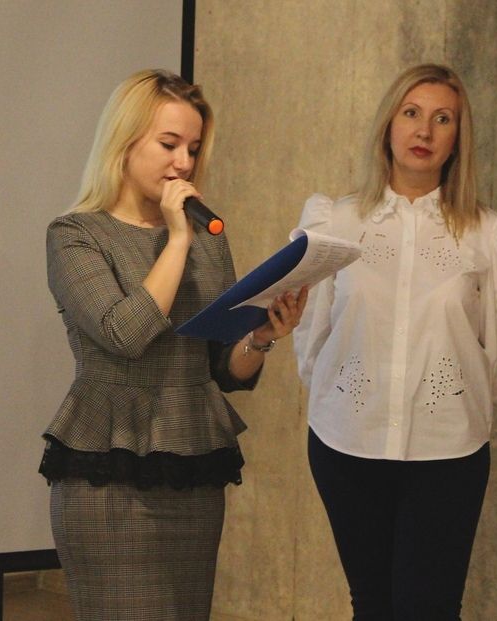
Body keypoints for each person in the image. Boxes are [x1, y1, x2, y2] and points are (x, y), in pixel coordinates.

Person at [39, 69, 306, 621]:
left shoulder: (210, 240)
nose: (184, 163)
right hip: (109, 470)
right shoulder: (76, 235)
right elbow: (127, 334)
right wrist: (178, 239)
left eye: (193, 148)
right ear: (124, 141)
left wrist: (261, 337)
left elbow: (222, 368)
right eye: (169, 144)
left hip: (191, 462)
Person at [293, 64, 497, 619]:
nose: (424, 130)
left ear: (458, 138)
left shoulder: (491, 231)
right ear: (389, 124)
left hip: (448, 452)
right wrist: (338, 398)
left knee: (430, 609)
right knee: (372, 606)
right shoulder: (334, 221)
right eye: (412, 113)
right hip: (346, 443)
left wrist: (461, 412)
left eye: (442, 119)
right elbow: (310, 337)